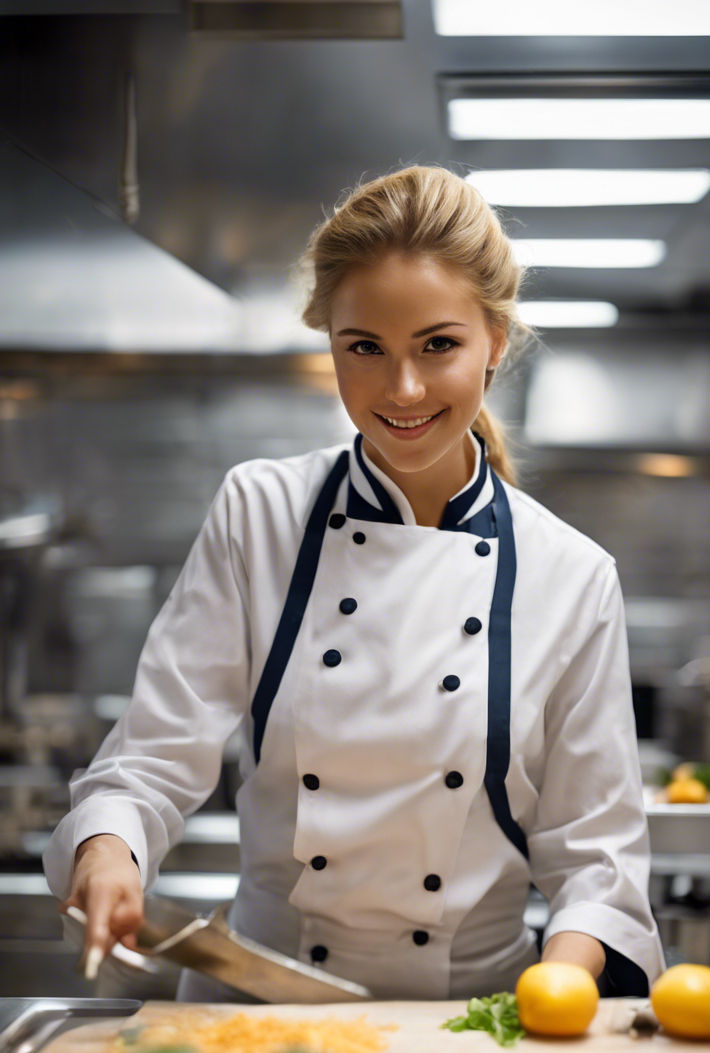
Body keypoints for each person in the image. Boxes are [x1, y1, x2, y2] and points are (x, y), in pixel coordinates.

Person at [44, 164, 665, 1002]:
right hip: (258, 1002)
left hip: (467, 1019)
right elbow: (150, 762)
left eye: (438, 346)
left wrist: (548, 998)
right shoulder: (259, 512)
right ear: (330, 344)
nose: (401, 389)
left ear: (497, 344)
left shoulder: (573, 575)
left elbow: (597, 857)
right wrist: (109, 852)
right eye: (364, 348)